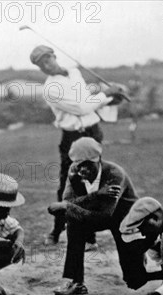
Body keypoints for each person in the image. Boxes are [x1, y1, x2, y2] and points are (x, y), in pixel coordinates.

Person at [30, 45, 126, 246]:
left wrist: (110, 99)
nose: (46, 66)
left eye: (48, 59)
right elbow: (81, 107)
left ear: (54, 56)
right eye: (41, 64)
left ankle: (89, 236)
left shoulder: (75, 72)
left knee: (95, 181)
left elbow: (86, 101)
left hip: (93, 132)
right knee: (69, 182)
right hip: (72, 137)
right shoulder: (50, 89)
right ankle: (57, 230)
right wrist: (106, 93)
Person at [48, 137, 158, 295]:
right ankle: (74, 280)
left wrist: (71, 206)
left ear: (98, 159)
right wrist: (96, 195)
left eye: (87, 164)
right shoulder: (74, 172)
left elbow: (105, 216)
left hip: (123, 218)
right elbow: (68, 202)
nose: (82, 169)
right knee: (73, 221)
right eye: (79, 164)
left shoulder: (114, 173)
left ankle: (153, 249)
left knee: (134, 280)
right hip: (96, 212)